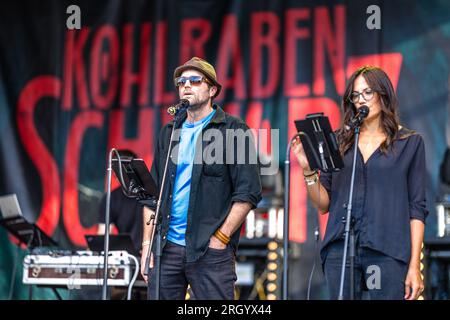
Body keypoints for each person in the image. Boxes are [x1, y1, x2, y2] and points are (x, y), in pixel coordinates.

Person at [292, 66, 428, 300]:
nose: (360, 100)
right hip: (340, 248)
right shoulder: (338, 142)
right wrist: (307, 169)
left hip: (387, 250)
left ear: (383, 94)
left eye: (368, 93)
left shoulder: (409, 143)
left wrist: (415, 265)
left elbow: (417, 208)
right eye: (355, 95)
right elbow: (323, 204)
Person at [140, 57, 262, 300]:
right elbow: (152, 195)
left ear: (212, 90)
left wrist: (221, 238)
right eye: (181, 81)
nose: (186, 86)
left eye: (195, 81)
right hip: (166, 248)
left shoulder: (234, 130)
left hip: (210, 249)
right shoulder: (169, 132)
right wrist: (147, 245)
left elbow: (248, 192)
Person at [98, 149, 143, 255]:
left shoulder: (150, 193)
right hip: (126, 256)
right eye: (116, 170)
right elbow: (103, 234)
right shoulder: (111, 198)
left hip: (151, 255)